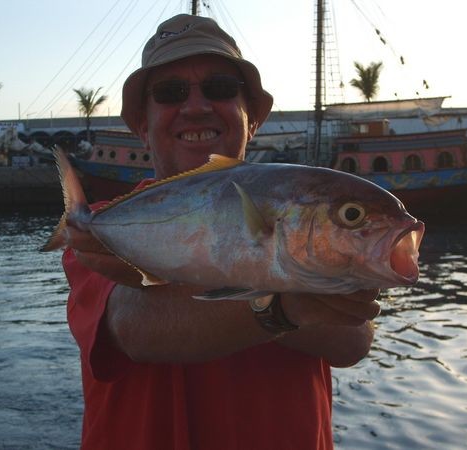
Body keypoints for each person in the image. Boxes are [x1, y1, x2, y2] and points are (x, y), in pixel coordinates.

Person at [61, 14, 380, 450]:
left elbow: (352, 339)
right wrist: (284, 303)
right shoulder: (101, 227)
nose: (196, 106)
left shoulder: (307, 209)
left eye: (220, 88)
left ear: (252, 119)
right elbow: (134, 328)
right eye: (170, 93)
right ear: (142, 128)